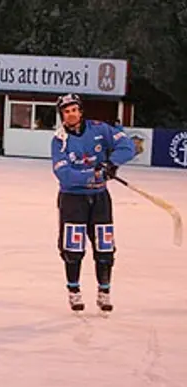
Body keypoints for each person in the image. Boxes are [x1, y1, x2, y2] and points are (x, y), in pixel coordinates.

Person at [51, 94, 135, 313]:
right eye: (66, 111)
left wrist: (111, 163)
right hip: (73, 200)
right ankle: (74, 291)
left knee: (105, 247)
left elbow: (128, 146)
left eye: (74, 110)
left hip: (100, 199)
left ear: (81, 111)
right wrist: (94, 173)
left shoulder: (100, 129)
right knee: (72, 248)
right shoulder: (59, 140)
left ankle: (104, 291)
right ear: (62, 115)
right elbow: (64, 174)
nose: (71, 114)